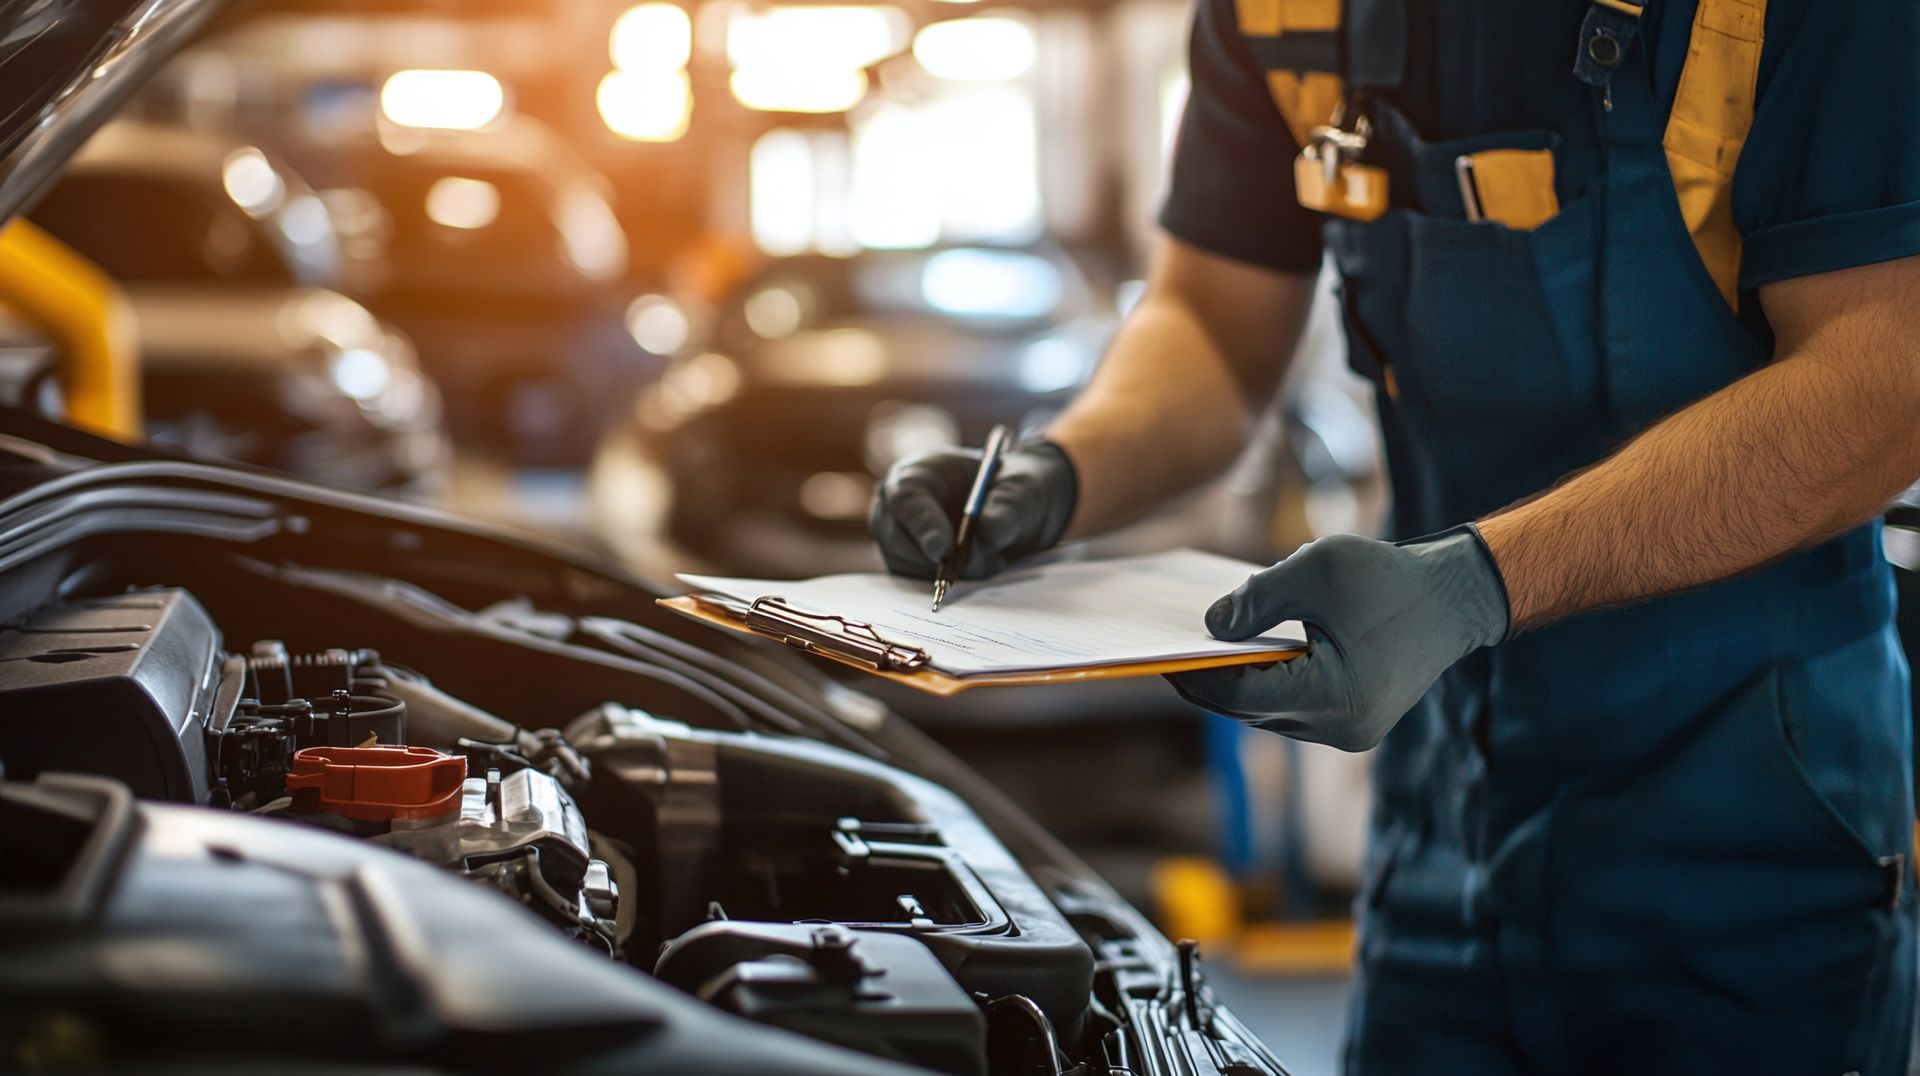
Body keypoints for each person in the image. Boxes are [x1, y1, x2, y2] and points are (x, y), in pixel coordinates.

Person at [868, 0, 1920, 1071]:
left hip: (1749, 824)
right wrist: (1066, 467)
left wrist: (1480, 583)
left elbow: (1883, 379)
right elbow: (1214, 322)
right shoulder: (1280, 14)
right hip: (1444, 813)